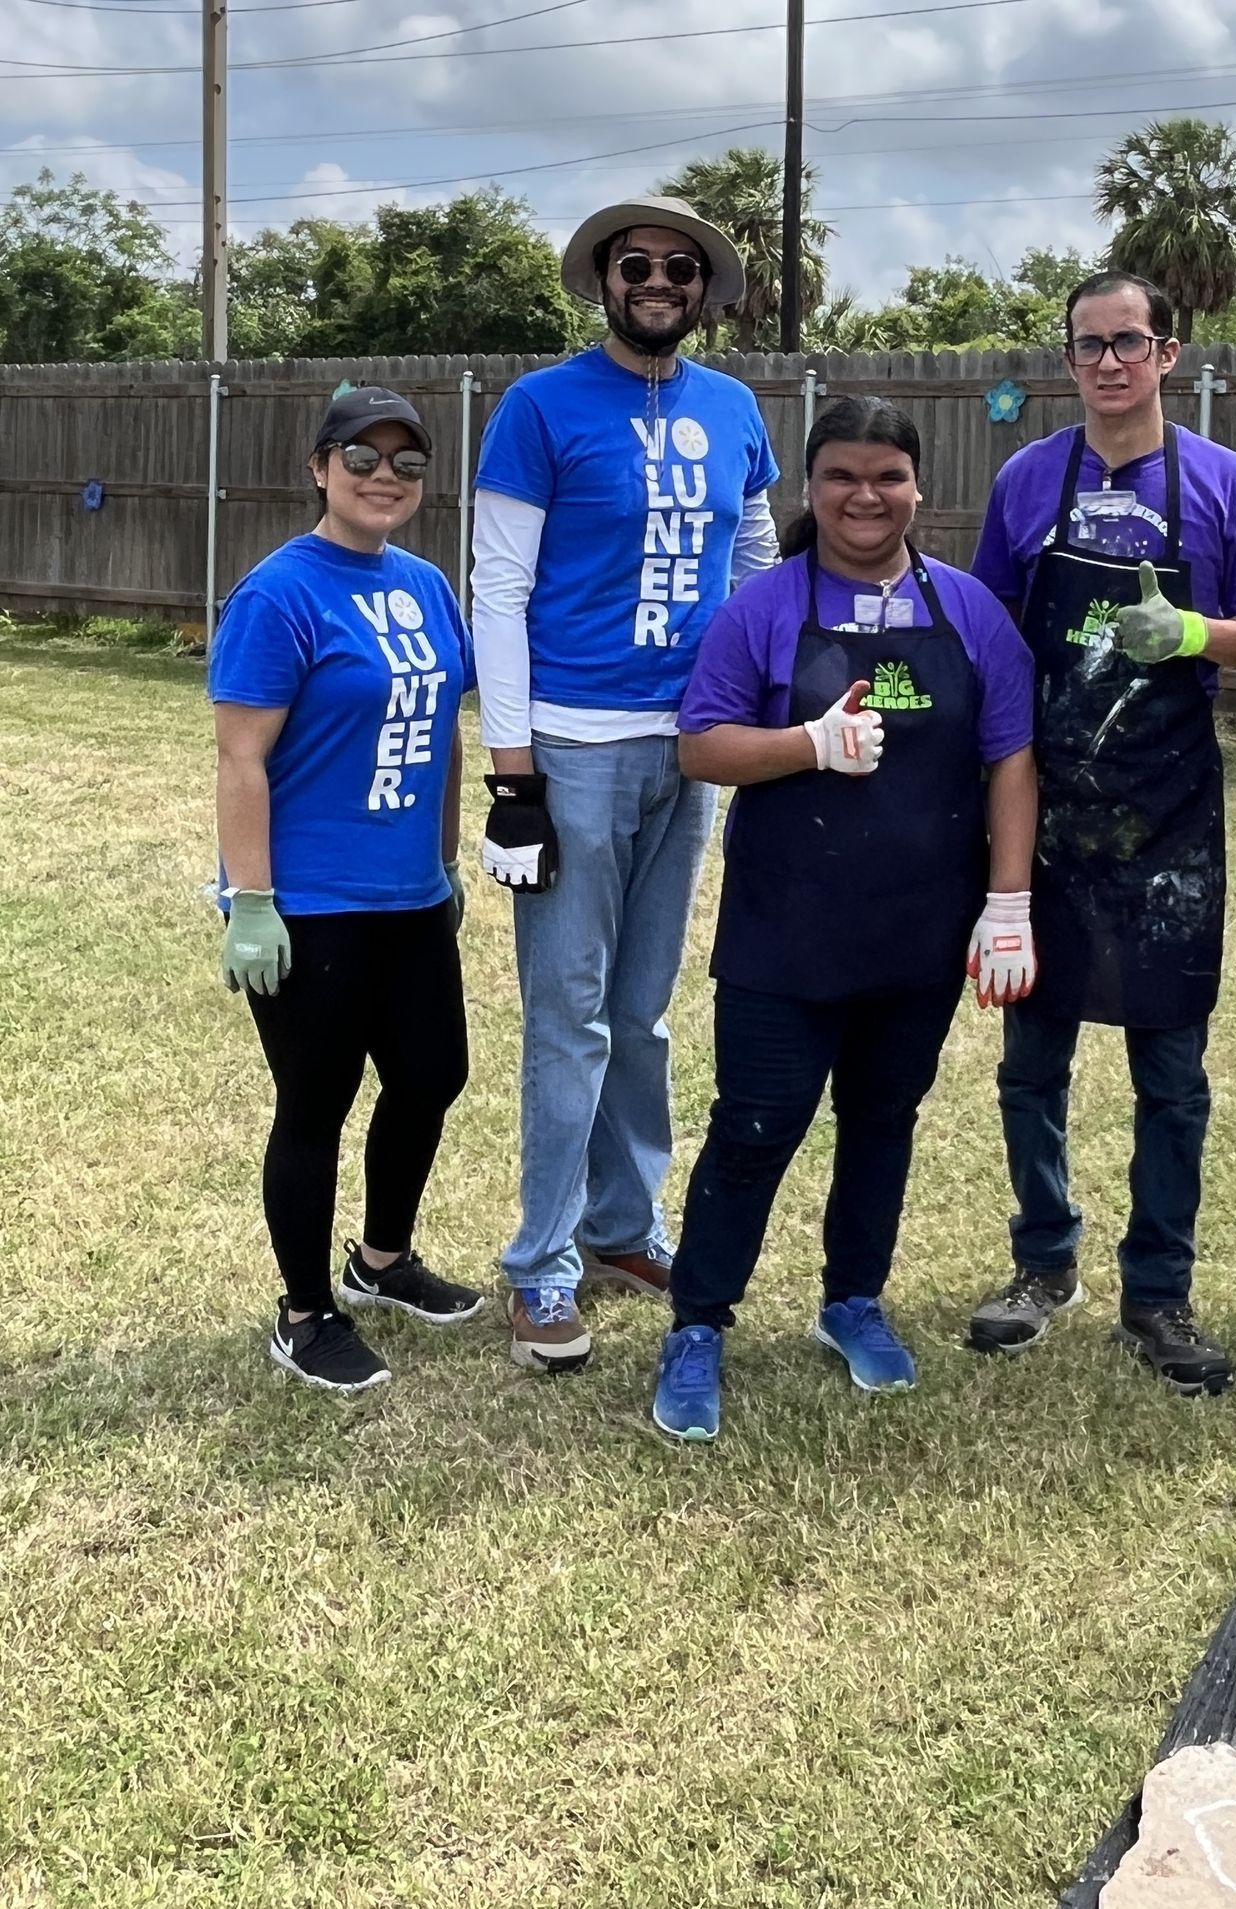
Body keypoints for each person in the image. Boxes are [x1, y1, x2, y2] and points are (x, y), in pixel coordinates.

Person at [651, 396, 1039, 1443]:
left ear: (919, 489)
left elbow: (1011, 758)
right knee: (754, 1128)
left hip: (919, 930)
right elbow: (702, 745)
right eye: (840, 477)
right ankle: (696, 1322)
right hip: (787, 932)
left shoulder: (969, 612)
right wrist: (807, 747)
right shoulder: (765, 608)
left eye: (886, 478)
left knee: (883, 1123)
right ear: (811, 489)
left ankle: (852, 1301)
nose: (864, 497)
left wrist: (1009, 902)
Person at [964, 270, 1236, 1396]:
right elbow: (991, 642)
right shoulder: (1025, 482)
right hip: (1049, 810)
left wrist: (1197, 630)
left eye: (1130, 342)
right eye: (1088, 346)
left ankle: (1158, 1292)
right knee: (1031, 1062)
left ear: (1170, 354)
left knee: (1173, 1072)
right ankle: (1041, 1261)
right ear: (1069, 361)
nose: (1109, 362)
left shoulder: (1226, 484)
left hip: (1170, 820)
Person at [471, 195, 781, 1375]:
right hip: (571, 745)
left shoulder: (736, 408)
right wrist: (511, 773)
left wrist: (754, 710)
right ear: (604, 278)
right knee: (568, 1015)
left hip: (689, 747)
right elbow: (497, 589)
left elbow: (754, 565)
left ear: (704, 290)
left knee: (643, 1013)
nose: (659, 280)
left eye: (681, 267)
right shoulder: (539, 407)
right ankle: (542, 1265)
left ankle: (620, 1226)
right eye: (637, 263)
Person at [210, 387, 483, 1393]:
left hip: (408, 897)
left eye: (407, 463)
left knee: (431, 1075)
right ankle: (302, 1310)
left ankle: (379, 1263)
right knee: (315, 1104)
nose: (385, 477)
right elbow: (241, 759)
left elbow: (446, 729)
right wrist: (250, 900)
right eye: (362, 457)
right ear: (320, 467)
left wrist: (446, 860)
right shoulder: (279, 594)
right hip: (309, 901)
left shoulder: (424, 585)